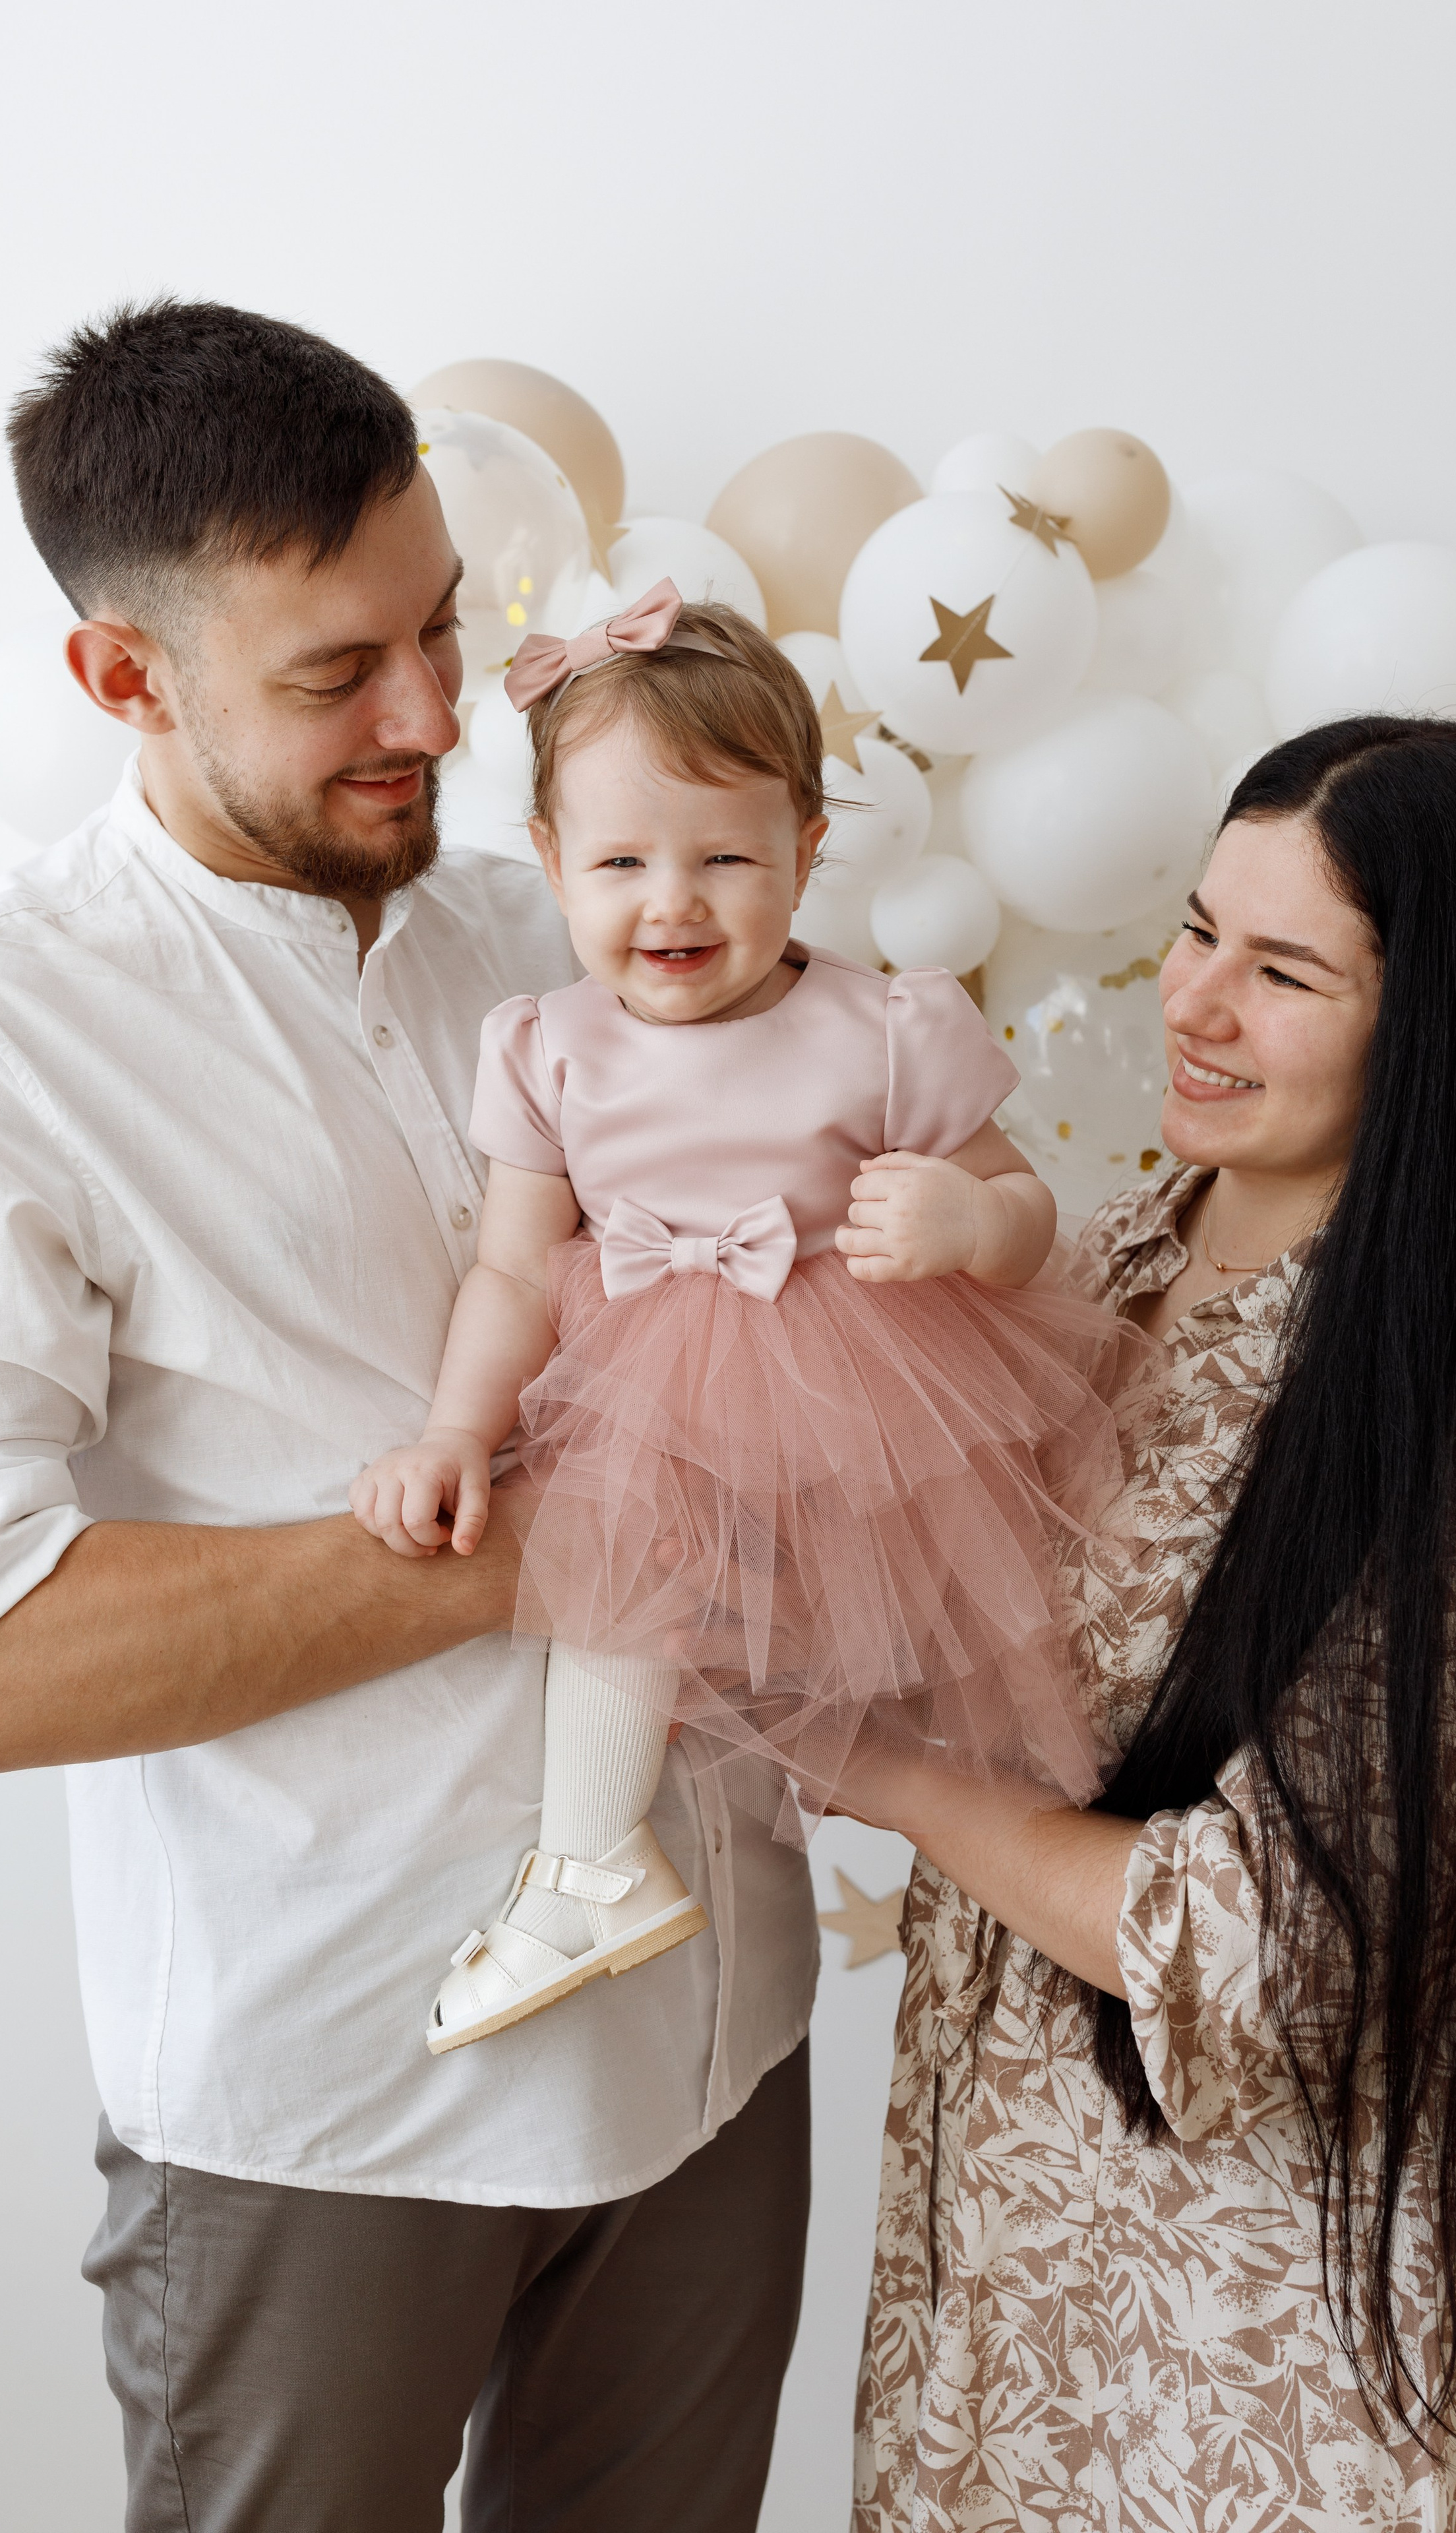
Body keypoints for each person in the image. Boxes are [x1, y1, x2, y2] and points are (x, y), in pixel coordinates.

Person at [0, 301, 819, 2533]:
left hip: (719, 2049)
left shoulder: (573, 931)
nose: (432, 719)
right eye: (333, 676)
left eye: (442, 629)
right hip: (331, 2110)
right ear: (126, 679)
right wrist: (546, 1553)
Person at [850, 716, 1456, 2528]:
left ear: (1444, 1027)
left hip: (1270, 2375)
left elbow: (1252, 1962)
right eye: (1195, 931)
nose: (1195, 1002)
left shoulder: (1452, 1435)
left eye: (1285, 971)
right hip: (1020, 2293)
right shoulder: (1099, 1261)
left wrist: (893, 1776)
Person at [351, 582, 1136, 2056]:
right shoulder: (545, 1046)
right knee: (621, 1567)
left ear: (806, 847)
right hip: (653, 1377)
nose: (674, 902)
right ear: (548, 863)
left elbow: (1022, 1203)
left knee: (970, 1629)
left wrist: (967, 1224)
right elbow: (518, 1271)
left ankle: (1050, 1868)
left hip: (867, 1384)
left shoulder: (883, 1024)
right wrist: (456, 1428)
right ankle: (591, 1858)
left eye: (726, 856)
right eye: (623, 862)